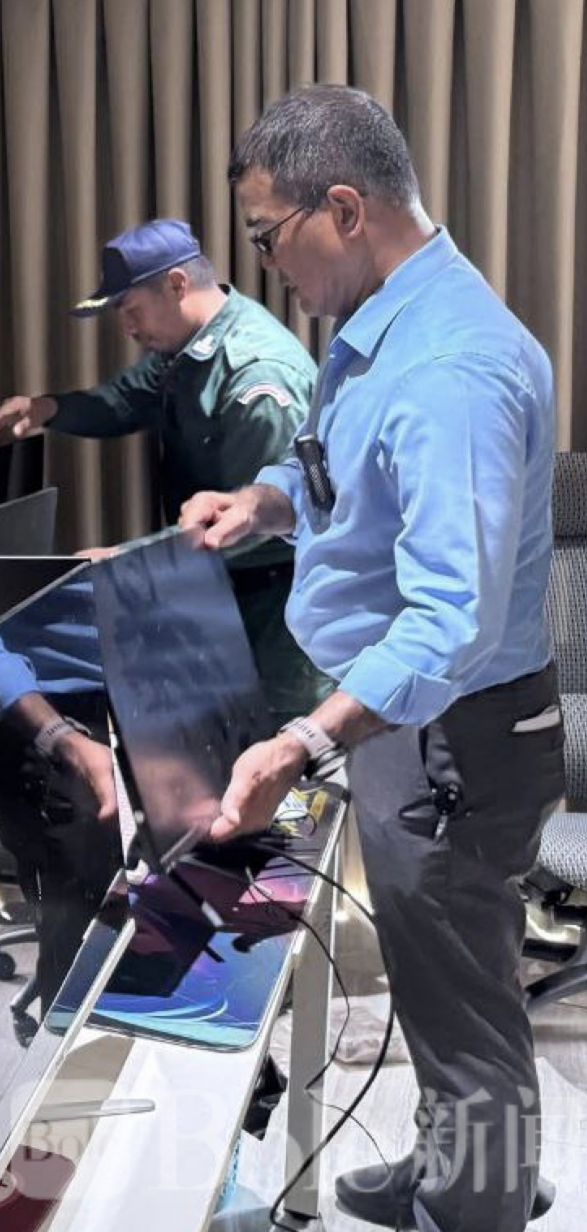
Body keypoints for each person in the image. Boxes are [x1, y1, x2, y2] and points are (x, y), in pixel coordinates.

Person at [181, 84, 563, 1232]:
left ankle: (478, 1201)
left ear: (342, 208)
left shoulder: (449, 369)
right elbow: (344, 471)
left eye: (267, 238)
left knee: (465, 1007)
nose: (265, 268)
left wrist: (298, 742)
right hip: (416, 724)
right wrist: (264, 502)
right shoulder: (389, 319)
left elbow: (446, 622)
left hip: (453, 732)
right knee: (443, 984)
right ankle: (460, 1166)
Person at [0, 219, 325, 719]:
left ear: (177, 284)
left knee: (285, 751)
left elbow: (253, 524)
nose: (127, 329)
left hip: (278, 612)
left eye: (131, 310)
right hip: (219, 592)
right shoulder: (184, 349)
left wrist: (122, 560)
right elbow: (127, 399)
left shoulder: (256, 377)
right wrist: (50, 409)